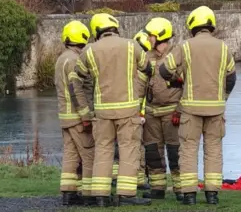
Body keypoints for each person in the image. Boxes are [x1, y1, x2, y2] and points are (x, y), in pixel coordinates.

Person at [70, 13, 153, 207]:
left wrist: (84, 110)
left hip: (102, 112)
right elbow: (147, 68)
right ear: (115, 28)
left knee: (103, 151)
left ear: (96, 31)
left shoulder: (89, 50)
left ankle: (100, 195)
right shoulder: (132, 46)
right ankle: (126, 195)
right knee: (129, 151)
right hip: (128, 110)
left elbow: (76, 80)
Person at [159, 6, 237, 205]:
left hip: (190, 109)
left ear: (192, 25)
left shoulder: (185, 47)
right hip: (216, 109)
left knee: (188, 150)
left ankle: (189, 195)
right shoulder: (223, 47)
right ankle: (212, 194)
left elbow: (164, 70)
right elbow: (231, 78)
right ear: (211, 25)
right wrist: (223, 98)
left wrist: (178, 79)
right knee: (213, 150)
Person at [138, 17, 183, 201]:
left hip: (172, 113)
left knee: (175, 152)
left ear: (161, 36)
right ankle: (158, 188)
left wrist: (180, 109)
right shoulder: (146, 57)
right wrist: (136, 108)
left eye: (151, 36)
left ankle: (181, 189)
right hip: (151, 113)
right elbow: (139, 85)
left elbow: (188, 85)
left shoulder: (177, 56)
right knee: (152, 153)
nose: (148, 39)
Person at [55, 20, 96, 206]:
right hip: (77, 117)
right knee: (89, 155)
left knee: (71, 154)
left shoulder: (61, 58)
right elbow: (75, 90)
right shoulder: (74, 60)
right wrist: (86, 116)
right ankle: (88, 194)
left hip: (65, 118)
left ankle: (68, 193)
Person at [112, 31, 153, 190]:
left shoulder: (124, 64)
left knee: (120, 146)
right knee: (136, 147)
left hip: (122, 111)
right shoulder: (144, 67)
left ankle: (116, 177)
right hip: (137, 113)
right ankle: (138, 179)